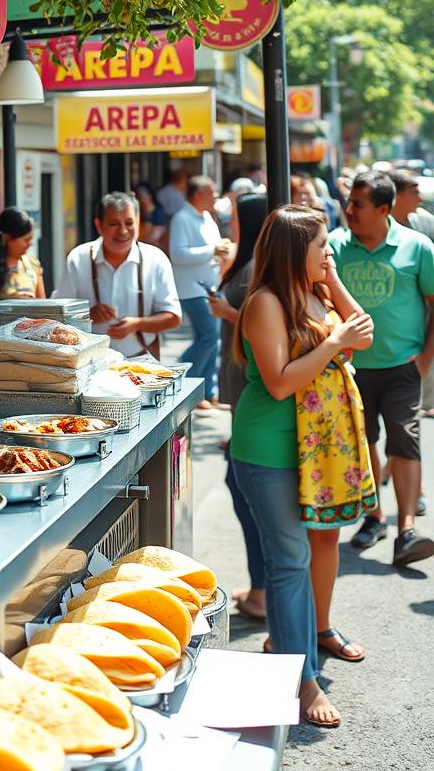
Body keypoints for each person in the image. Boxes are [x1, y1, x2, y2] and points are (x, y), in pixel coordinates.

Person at [232, 205, 375, 727]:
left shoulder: (316, 292)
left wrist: (333, 282)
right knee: (289, 562)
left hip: (317, 449)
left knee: (313, 547)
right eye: (321, 247)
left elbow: (366, 333)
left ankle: (293, 644)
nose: (329, 252)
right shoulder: (265, 303)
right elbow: (280, 382)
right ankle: (302, 680)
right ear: (296, 252)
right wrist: (334, 343)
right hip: (269, 449)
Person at [331, 172, 434, 565]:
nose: (349, 210)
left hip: (402, 366)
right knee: (364, 441)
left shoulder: (418, 247)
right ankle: (374, 517)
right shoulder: (337, 247)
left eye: (358, 204)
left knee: (405, 438)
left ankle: (407, 529)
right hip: (351, 368)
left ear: (384, 209)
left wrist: (424, 359)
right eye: (350, 202)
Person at [208, 192, 268, 621]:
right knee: (244, 491)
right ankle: (262, 588)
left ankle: (263, 593)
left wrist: (228, 313)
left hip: (250, 396)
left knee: (246, 493)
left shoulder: (254, 270)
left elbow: (253, 323)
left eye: (235, 219)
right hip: (242, 396)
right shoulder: (249, 262)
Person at [53, 192, 180, 357]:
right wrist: (88, 314)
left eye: (129, 223)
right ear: (99, 226)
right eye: (114, 224)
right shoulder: (78, 258)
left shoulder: (156, 259)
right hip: (88, 362)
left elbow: (173, 317)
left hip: (141, 362)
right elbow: (58, 314)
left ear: (138, 222)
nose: (123, 231)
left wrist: (137, 324)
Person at [168, 176, 233, 408]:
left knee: (213, 337)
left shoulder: (207, 217)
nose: (215, 196)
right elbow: (178, 254)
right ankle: (183, 381)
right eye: (211, 191)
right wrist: (212, 250)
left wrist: (220, 253)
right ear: (197, 195)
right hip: (190, 287)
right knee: (208, 335)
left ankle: (206, 390)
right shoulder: (181, 218)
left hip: (209, 284)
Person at [391, 168, 434, 424]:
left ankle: (427, 399)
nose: (419, 198)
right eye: (414, 192)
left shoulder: (423, 222)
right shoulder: (378, 228)